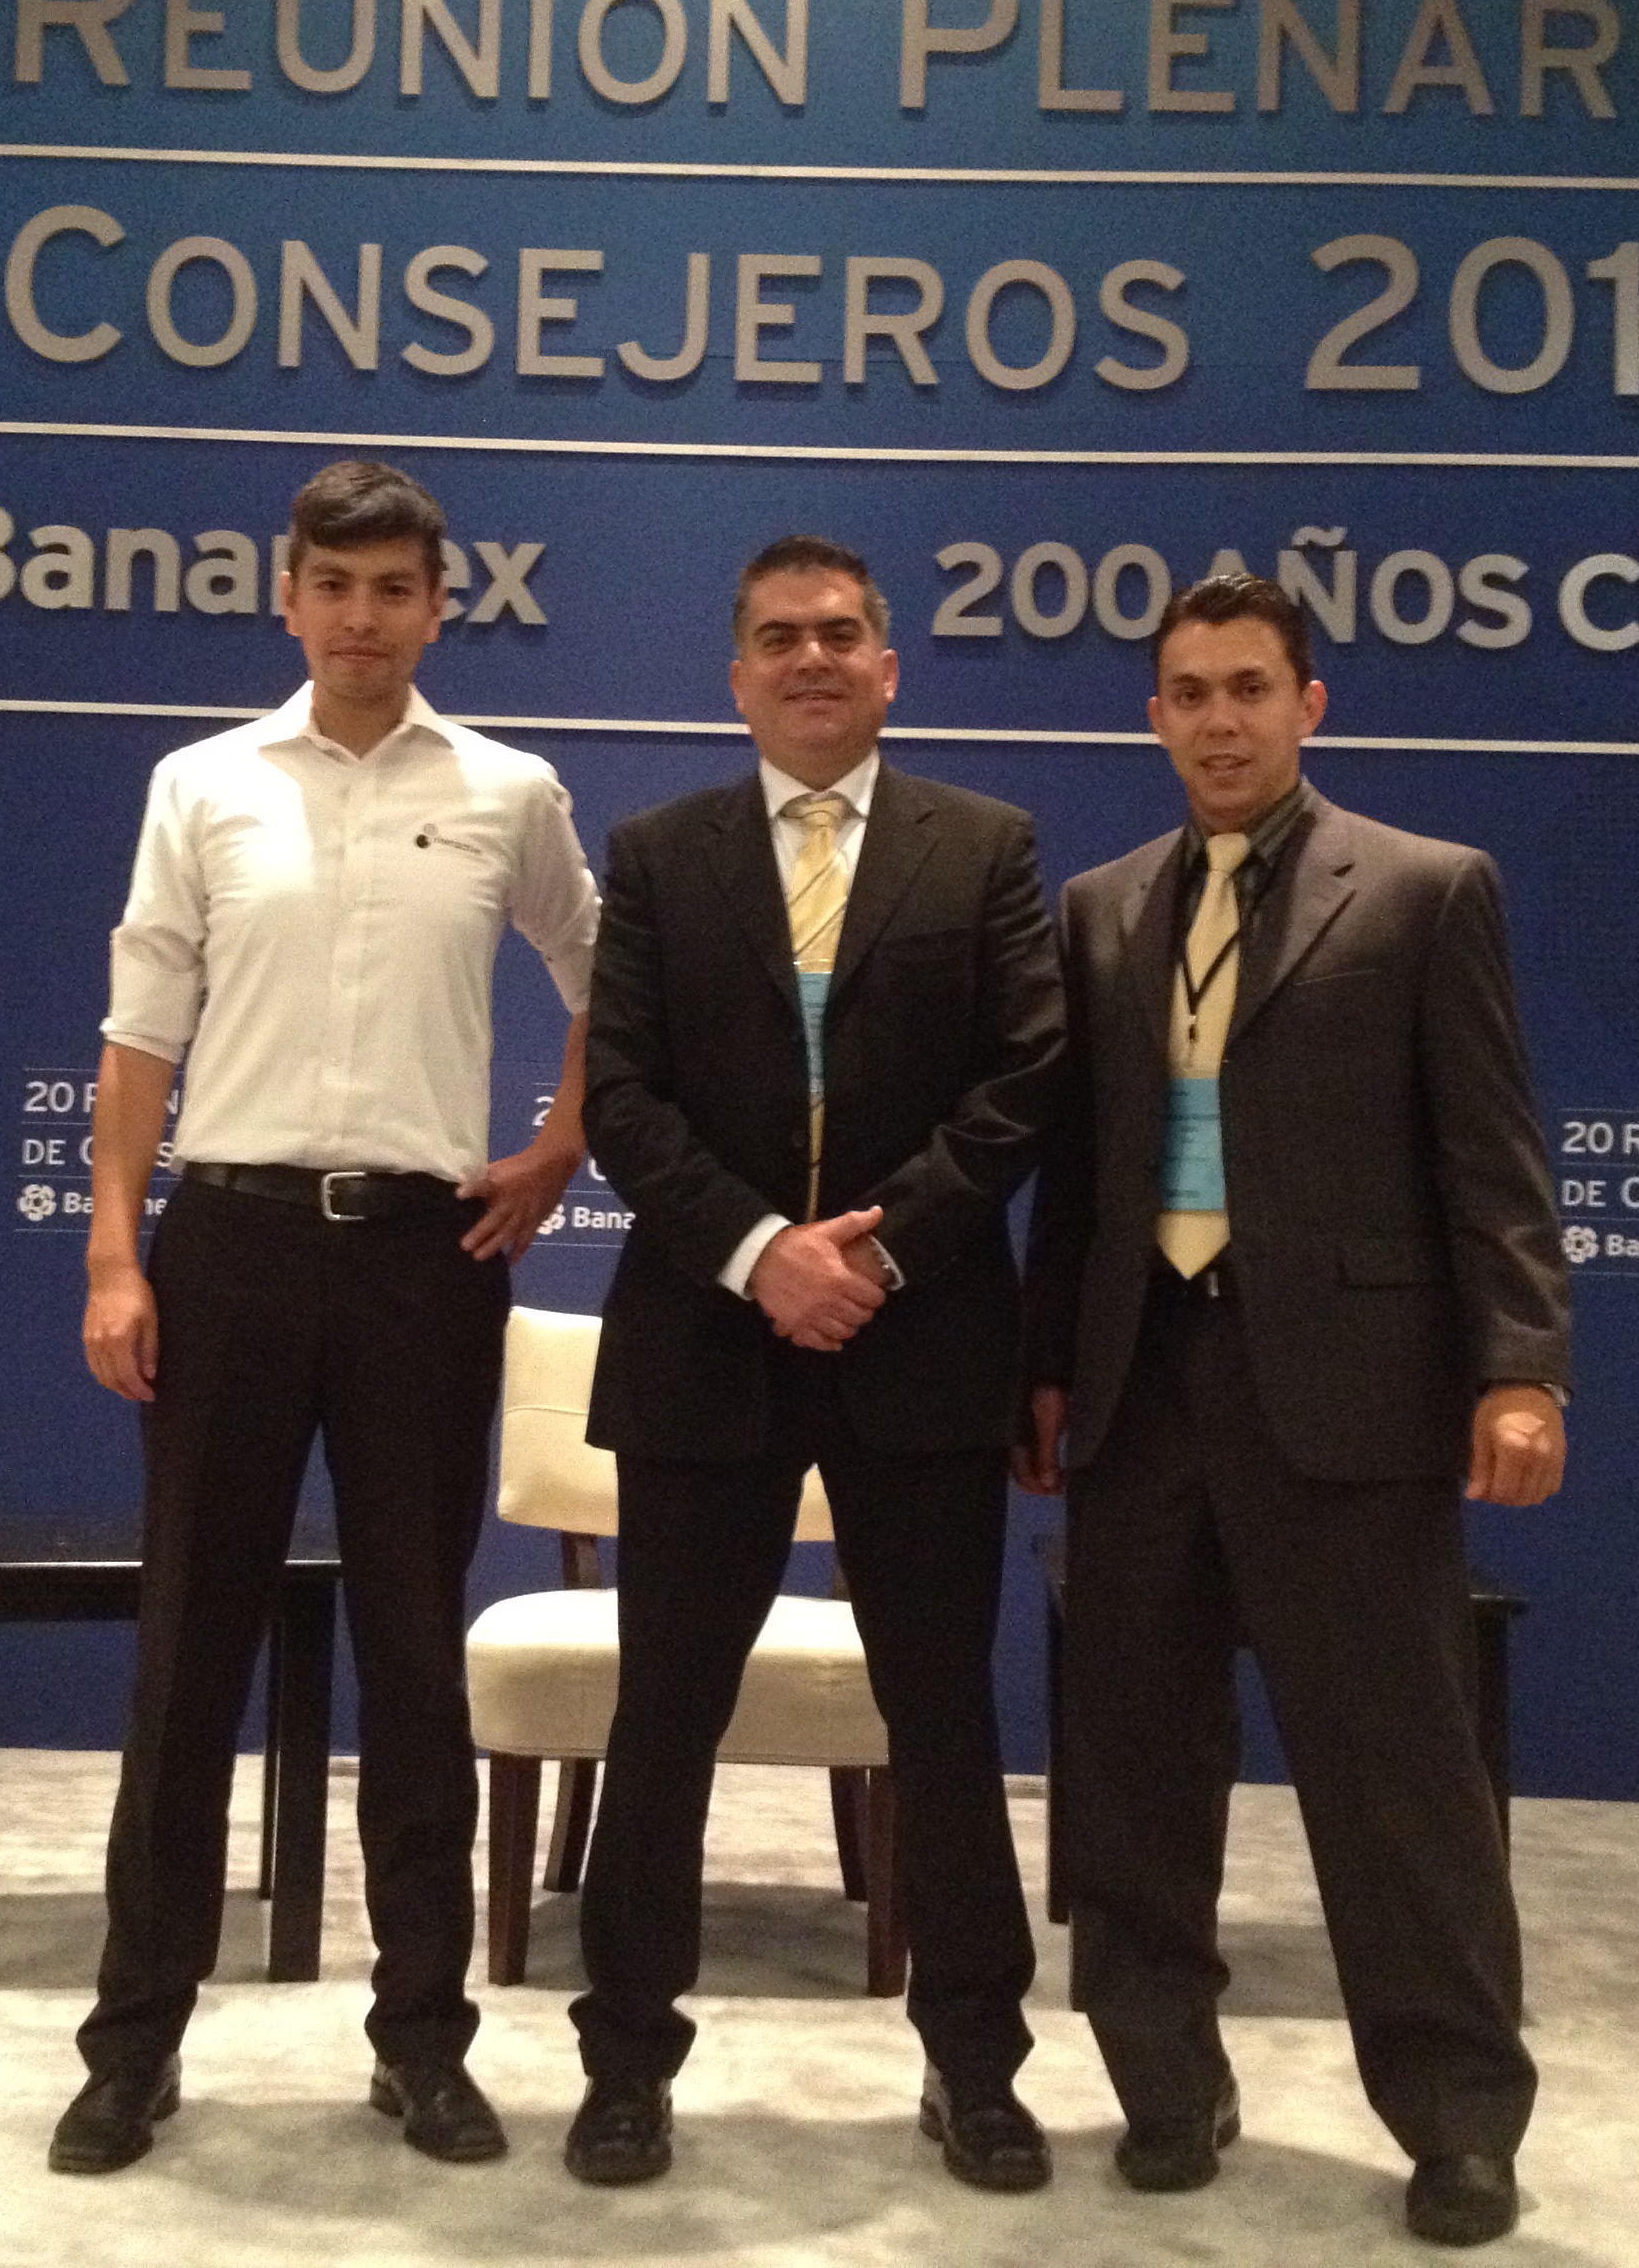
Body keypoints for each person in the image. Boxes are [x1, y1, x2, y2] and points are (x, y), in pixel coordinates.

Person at [50, 459, 600, 2175]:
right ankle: (134, 2045)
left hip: (422, 1265)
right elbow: (140, 1034)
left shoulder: (509, 792)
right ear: (288, 600)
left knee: (417, 1660)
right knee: (187, 1660)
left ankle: (423, 2044)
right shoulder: (203, 784)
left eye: (394, 589)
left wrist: (561, 1142)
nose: (364, 618)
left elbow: (608, 978)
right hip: (228, 1249)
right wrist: (116, 1258)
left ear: (440, 606)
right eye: (335, 587)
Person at [1018, 572, 1571, 2248]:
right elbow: (1078, 1176)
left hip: (1350, 1400)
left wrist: (1523, 1365)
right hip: (1142, 1390)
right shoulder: (1101, 909)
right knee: (1134, 1772)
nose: (1221, 721)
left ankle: (1459, 2122)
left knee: (1400, 1781)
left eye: (1249, 688)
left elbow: (1494, 1154)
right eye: (1189, 694)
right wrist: (1046, 1367)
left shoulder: (1422, 890)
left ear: (1308, 704)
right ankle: (1166, 2086)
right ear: (1155, 719)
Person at [562, 534, 1066, 2193]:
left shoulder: (984, 848)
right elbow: (621, 1096)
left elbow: (1021, 1083)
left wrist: (874, 1252)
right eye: (779, 638)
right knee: (665, 1719)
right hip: (707, 1340)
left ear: (889, 666)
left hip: (923, 1344)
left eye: (840, 634)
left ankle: (977, 2069)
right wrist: (761, 1253)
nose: (812, 659)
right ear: (738, 677)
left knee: (945, 1719)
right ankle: (626, 2065)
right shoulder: (659, 854)